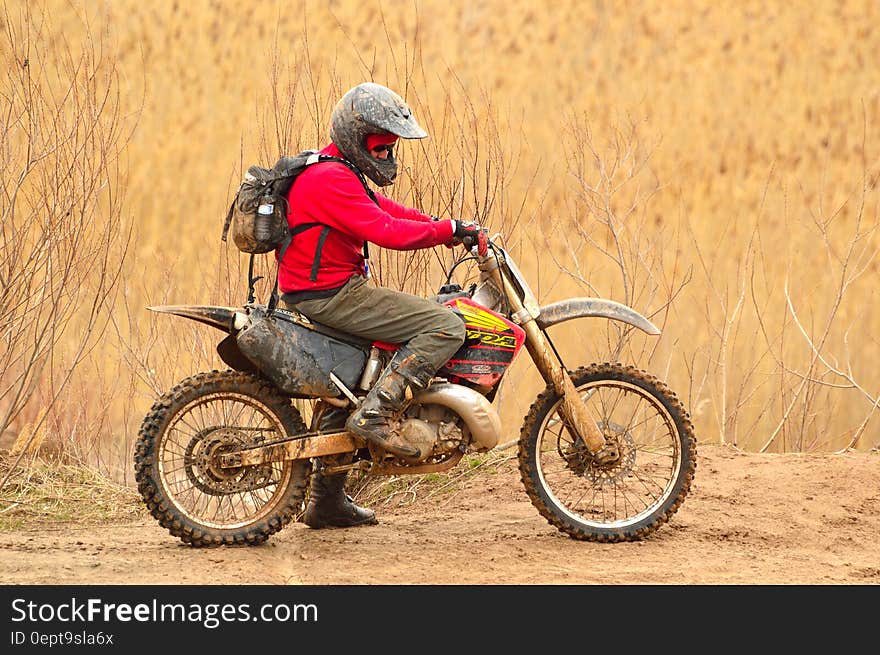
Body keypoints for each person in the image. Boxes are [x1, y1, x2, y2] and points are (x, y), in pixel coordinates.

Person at [279, 82, 483, 529]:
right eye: (381, 145)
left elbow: (386, 208)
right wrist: (446, 231)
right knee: (445, 326)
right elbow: (385, 230)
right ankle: (378, 413)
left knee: (348, 382)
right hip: (331, 293)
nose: (388, 155)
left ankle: (326, 502)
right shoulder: (331, 178)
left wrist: (449, 225)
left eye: (391, 147)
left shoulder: (337, 168)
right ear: (357, 137)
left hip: (318, 289)